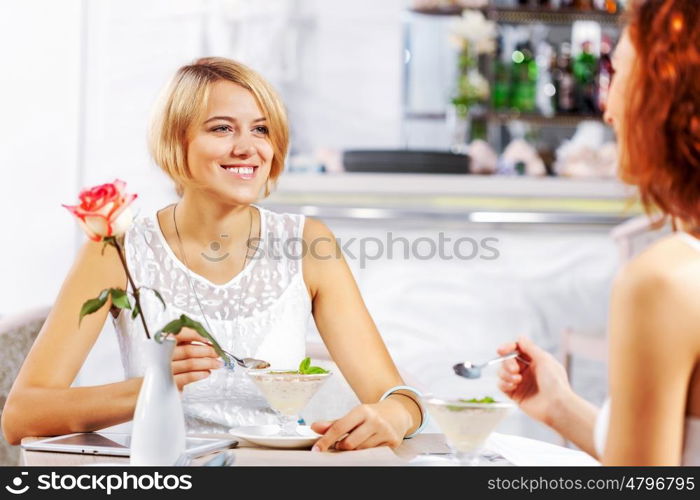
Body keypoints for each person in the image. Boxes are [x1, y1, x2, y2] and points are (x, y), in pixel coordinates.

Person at [2, 57, 424, 452]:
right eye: (222, 129)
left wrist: (395, 414)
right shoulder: (117, 249)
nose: (248, 148)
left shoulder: (309, 245)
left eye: (261, 130)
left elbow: (397, 397)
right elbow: (21, 417)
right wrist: (152, 385)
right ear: (176, 140)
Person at [497, 0, 700, 465]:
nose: (607, 111)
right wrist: (561, 408)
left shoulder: (662, 281)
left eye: (620, 80)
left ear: (668, 102)